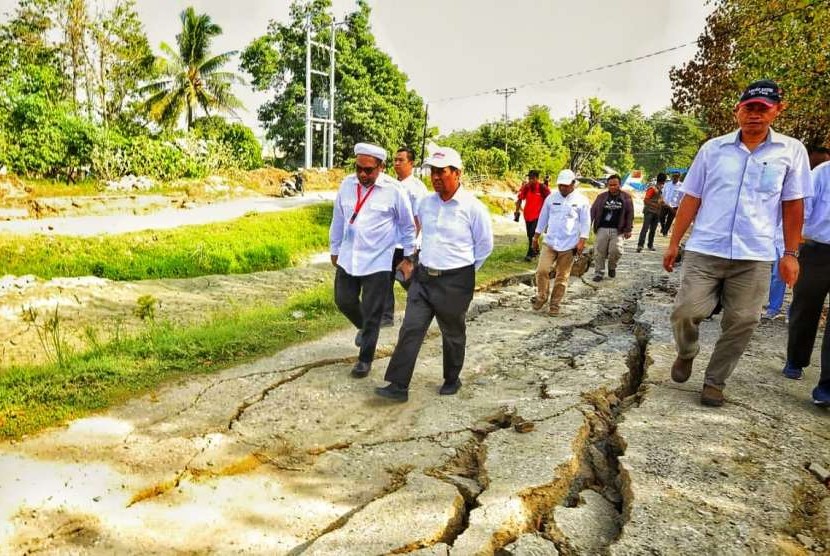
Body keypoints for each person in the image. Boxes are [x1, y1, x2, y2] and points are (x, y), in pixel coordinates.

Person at [663, 79, 811, 407]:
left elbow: (793, 205)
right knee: (686, 311)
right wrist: (674, 242)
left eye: (763, 108)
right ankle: (687, 351)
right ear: (737, 111)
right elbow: (691, 198)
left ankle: (715, 381)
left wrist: (790, 253)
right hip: (706, 247)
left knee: (743, 320)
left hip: (755, 253)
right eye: (749, 108)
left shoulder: (791, 151)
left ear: (777, 111)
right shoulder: (713, 150)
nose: (755, 115)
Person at [375, 147, 493, 402]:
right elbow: (419, 233)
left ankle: (452, 378)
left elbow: (484, 246)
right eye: (433, 172)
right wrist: (412, 260)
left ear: (457, 173)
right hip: (424, 278)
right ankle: (398, 386)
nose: (436, 177)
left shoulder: (473, 208)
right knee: (411, 328)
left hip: (455, 281)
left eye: (442, 172)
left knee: (452, 334)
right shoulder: (426, 203)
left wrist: (464, 274)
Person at [330, 143, 417, 379]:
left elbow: (408, 226)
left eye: (369, 170)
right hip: (349, 255)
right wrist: (334, 247)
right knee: (343, 300)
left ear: (381, 167)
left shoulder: (394, 190)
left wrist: (409, 257)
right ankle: (364, 328)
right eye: (359, 168)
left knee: (372, 311)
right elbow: (338, 218)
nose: (363, 174)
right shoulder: (347, 185)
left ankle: (365, 359)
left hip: (378, 259)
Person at [781, 155, 830, 405]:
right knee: (805, 308)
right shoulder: (822, 173)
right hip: (817, 250)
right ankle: (796, 359)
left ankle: (827, 387)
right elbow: (802, 211)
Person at [531, 169, 591, 315]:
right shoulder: (551, 198)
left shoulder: (582, 201)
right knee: (542, 270)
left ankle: (555, 305)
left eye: (565, 185)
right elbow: (543, 218)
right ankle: (542, 296)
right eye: (560, 185)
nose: (562, 188)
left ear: (573, 184)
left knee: (562, 276)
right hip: (550, 242)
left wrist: (582, 241)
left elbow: (585, 222)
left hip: (569, 244)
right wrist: (536, 237)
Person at [381, 147, 429, 327]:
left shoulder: (416, 188)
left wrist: (412, 247)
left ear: (411, 163)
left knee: (409, 280)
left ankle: (423, 308)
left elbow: (418, 220)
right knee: (386, 279)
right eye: (395, 160)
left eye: (401, 160)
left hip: (406, 245)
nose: (396, 163)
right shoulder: (393, 185)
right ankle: (386, 316)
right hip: (391, 243)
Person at [591, 174, 634, 281]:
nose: (612, 187)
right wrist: (587, 225)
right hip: (602, 228)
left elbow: (630, 214)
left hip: (618, 230)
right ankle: (599, 273)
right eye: (610, 185)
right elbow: (593, 211)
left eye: (615, 185)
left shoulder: (626, 197)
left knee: (616, 250)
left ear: (620, 184)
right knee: (599, 252)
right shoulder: (601, 197)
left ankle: (612, 266)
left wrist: (628, 229)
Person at [514, 170, 551, 261]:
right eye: (529, 178)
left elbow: (550, 200)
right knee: (529, 234)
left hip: (539, 215)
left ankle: (530, 253)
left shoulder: (542, 188)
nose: (531, 180)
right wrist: (517, 211)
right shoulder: (526, 187)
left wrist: (549, 215)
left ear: (537, 178)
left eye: (533, 178)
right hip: (527, 215)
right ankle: (536, 250)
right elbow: (519, 199)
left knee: (532, 234)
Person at [637, 173, 665, 252]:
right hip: (649, 211)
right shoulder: (652, 189)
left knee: (653, 229)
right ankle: (640, 245)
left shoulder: (660, 191)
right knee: (645, 229)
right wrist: (655, 205)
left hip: (656, 213)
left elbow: (659, 201)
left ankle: (650, 245)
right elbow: (646, 200)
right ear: (663, 182)